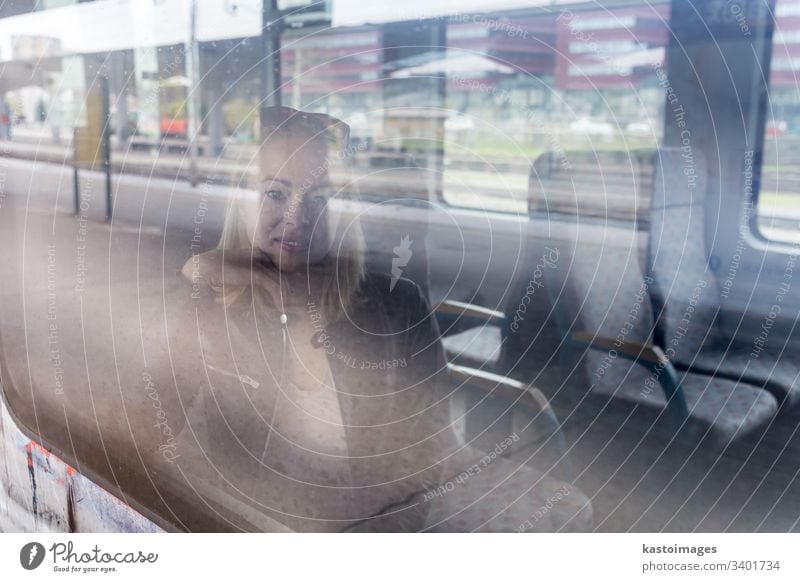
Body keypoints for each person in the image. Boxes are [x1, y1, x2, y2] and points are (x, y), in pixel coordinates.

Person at [168, 106, 591, 532]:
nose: (298, 218)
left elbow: (422, 462)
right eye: (275, 194)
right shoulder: (206, 300)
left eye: (319, 199)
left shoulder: (396, 304)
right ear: (241, 200)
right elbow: (145, 424)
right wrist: (197, 275)